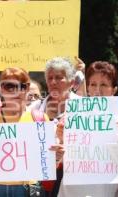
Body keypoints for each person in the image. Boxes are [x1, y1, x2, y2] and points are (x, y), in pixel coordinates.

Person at [0, 67, 64, 197]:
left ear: (27, 89)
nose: (17, 92)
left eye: (22, 86)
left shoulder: (40, 119)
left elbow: (48, 162)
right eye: (10, 86)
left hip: (31, 188)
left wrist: (57, 157)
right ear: (1, 89)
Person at [58, 61, 118, 197]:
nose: (97, 90)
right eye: (93, 84)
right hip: (73, 191)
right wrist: (61, 138)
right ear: (88, 88)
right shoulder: (71, 116)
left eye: (104, 85)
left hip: (108, 191)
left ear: (114, 90)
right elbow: (57, 157)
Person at [28, 57, 78, 196]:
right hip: (38, 180)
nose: (53, 82)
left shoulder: (84, 109)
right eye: (49, 78)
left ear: (72, 82)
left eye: (59, 77)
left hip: (70, 178)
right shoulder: (34, 109)